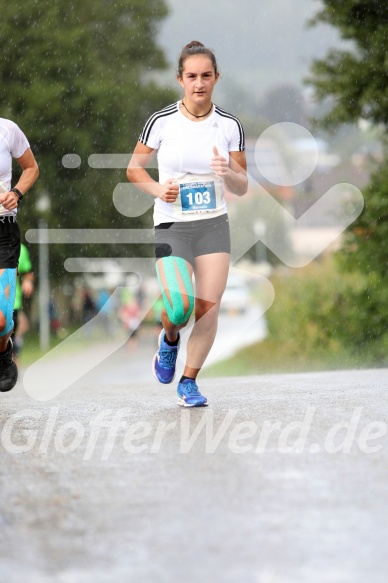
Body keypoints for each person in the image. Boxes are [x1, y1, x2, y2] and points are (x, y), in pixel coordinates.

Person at [127, 40, 247, 407]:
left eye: (206, 76)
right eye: (192, 76)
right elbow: (133, 169)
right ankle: (169, 339)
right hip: (172, 226)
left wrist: (228, 172)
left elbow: (242, 186)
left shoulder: (229, 126)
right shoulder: (161, 122)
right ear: (180, 79)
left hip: (213, 225)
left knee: (207, 308)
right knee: (178, 308)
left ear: (216, 78)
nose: (199, 83)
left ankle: (189, 381)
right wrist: (157, 189)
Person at [0, 117, 39, 392]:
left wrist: (17, 192)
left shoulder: (7, 130)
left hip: (3, 231)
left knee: (2, 320)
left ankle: (4, 350)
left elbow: (31, 168)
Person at [12, 243, 35, 363]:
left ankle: (13, 361)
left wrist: (28, 282)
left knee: (10, 335)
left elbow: (28, 273)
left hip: (11, 302)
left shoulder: (18, 248)